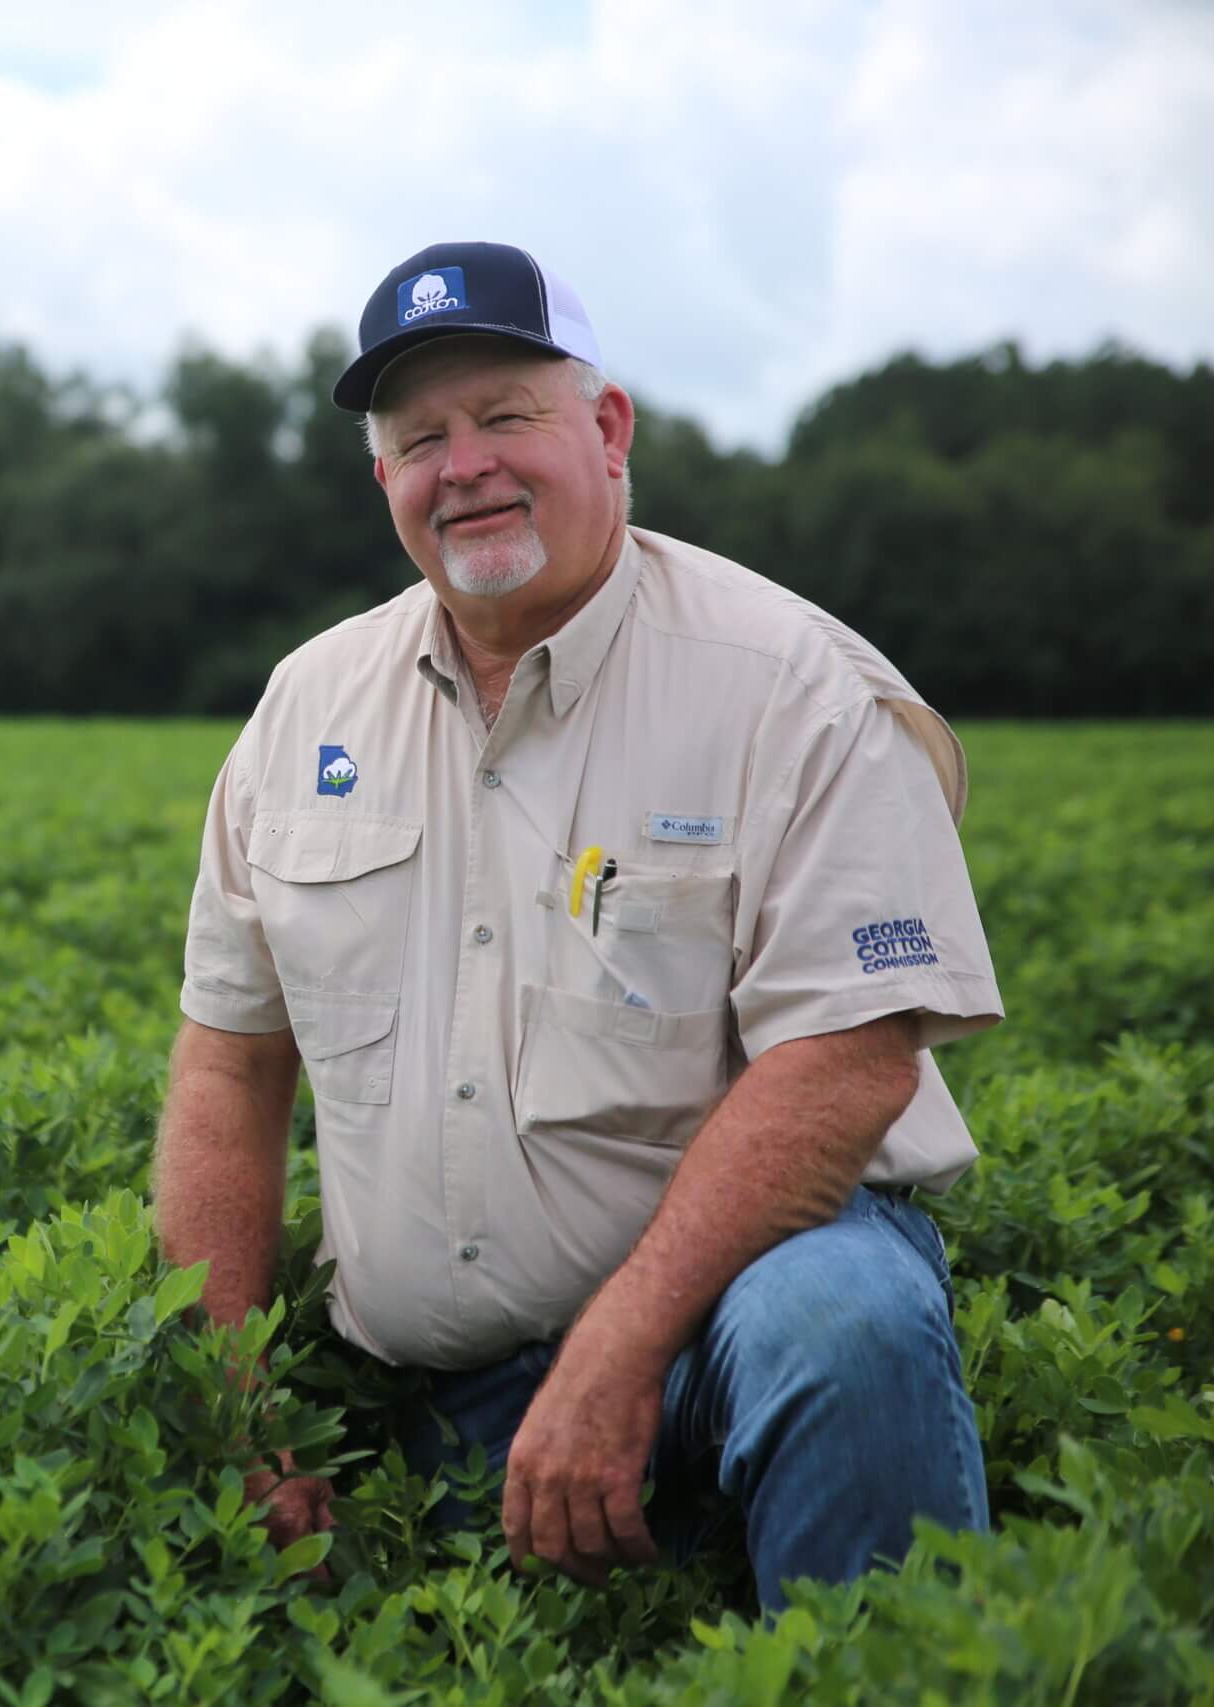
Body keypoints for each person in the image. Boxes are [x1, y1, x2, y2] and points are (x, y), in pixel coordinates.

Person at [153, 241, 1003, 1612]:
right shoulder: (305, 711)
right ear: (384, 482)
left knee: (846, 1317)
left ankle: (879, 1656)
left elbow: (847, 1061)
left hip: (735, 1316)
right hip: (447, 1392)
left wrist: (612, 1356)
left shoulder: (793, 687)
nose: (464, 464)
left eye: (504, 416)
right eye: (420, 437)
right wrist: (237, 1403)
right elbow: (229, 1067)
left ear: (607, 430)